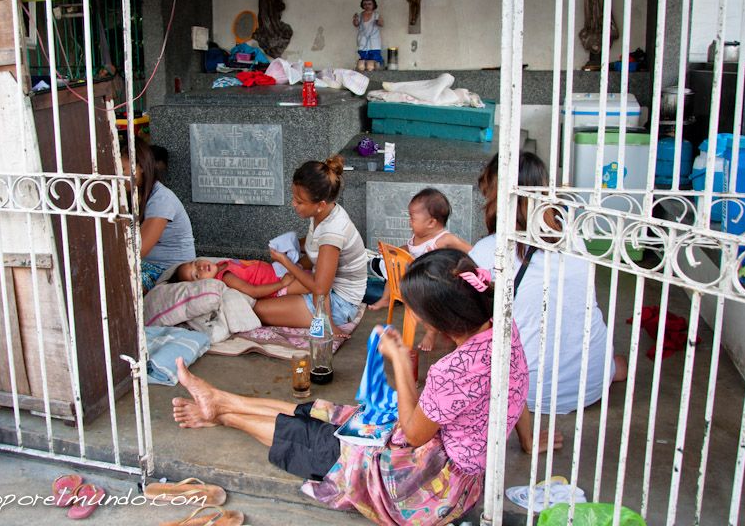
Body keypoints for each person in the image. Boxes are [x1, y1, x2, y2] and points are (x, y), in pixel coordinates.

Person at [171, 249, 529, 524]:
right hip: (448, 459)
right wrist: (528, 441)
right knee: (337, 415)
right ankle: (220, 399)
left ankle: (222, 413)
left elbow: (415, 434)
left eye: (416, 311)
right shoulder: (502, 328)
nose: (413, 317)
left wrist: (401, 368)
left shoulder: (452, 371)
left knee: (326, 445)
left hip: (432, 488)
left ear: (444, 320)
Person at [470, 152, 628, 452]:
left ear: (495, 196)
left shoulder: (488, 251)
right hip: (592, 385)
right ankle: (604, 369)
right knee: (612, 359)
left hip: (527, 396)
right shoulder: (575, 239)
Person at [258, 155, 366, 336]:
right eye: (294, 197)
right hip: (325, 293)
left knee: (258, 309)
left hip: (339, 304)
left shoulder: (333, 232)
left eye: (299, 202)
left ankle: (328, 324)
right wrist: (296, 260)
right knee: (266, 291)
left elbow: (320, 289)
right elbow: (316, 253)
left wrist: (286, 262)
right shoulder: (323, 214)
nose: (293, 204)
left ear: (320, 204)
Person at [369, 188, 472, 351]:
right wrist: (394, 251)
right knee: (393, 266)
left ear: (431, 222)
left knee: (419, 310)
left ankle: (431, 332)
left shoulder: (444, 239)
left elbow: (472, 251)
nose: (409, 221)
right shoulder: (417, 237)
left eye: (412, 218)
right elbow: (408, 249)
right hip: (418, 283)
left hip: (437, 286)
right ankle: (386, 297)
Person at [121, 138, 195, 293]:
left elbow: (138, 249)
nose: (118, 177)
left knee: (120, 285)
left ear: (140, 167)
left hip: (167, 271)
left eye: (122, 170)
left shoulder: (161, 199)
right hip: (145, 265)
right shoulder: (131, 196)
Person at [171, 257, 304, 300]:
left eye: (194, 264)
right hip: (278, 285)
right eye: (196, 275)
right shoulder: (225, 277)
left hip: (278, 272)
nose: (199, 268)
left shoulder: (219, 265)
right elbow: (253, 291)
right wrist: (282, 284)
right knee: (315, 285)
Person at [351, 0, 384, 72]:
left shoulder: (376, 15)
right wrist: (355, 19)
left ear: (373, 5)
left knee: (374, 58)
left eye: (369, 4)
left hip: (374, 40)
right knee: (363, 59)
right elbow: (356, 24)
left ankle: (374, 69)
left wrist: (378, 21)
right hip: (363, 40)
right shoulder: (360, 15)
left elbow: (381, 24)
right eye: (365, 4)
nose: (367, 6)